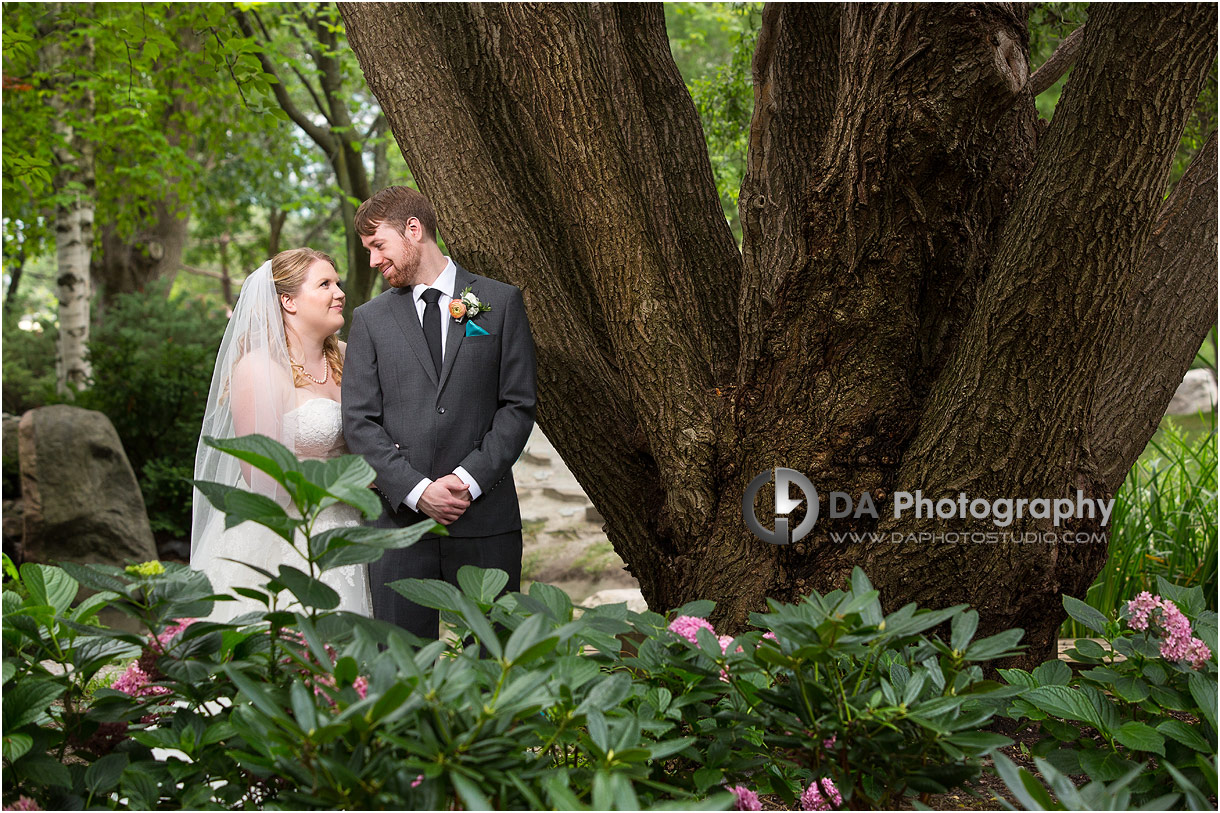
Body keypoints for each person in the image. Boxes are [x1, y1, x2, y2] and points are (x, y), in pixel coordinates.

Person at [342, 186, 537, 640]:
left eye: (378, 245)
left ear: (414, 230)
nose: (373, 260)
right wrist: (416, 489)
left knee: (495, 661)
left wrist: (466, 481)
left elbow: (517, 405)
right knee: (404, 671)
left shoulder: (500, 302)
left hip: (485, 520)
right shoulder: (370, 320)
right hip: (397, 528)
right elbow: (359, 421)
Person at [191, 248, 372, 621]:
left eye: (337, 283)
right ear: (288, 301)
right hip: (286, 534)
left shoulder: (346, 356)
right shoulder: (259, 368)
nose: (339, 293)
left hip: (352, 527)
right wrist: (344, 485)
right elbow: (260, 478)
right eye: (325, 284)